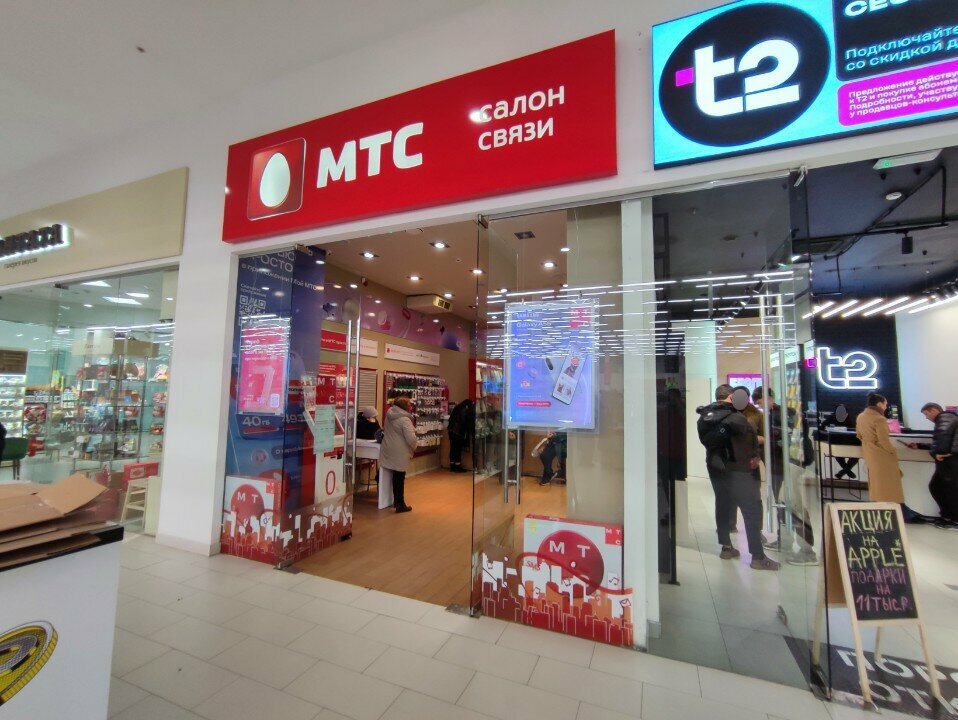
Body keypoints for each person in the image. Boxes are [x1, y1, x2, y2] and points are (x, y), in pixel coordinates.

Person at [697, 384, 779, 570]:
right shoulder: (737, 418)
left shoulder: (705, 416)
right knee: (751, 510)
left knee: (722, 504)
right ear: (732, 396)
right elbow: (747, 443)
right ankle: (757, 556)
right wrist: (753, 459)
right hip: (739, 469)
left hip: (715, 466)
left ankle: (726, 547)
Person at [856, 392, 922, 523]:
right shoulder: (879, 419)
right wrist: (892, 451)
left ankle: (882, 508)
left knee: (876, 482)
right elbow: (884, 440)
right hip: (882, 454)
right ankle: (899, 510)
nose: (886, 406)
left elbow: (858, 435)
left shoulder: (861, 416)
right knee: (892, 483)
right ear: (879, 404)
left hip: (869, 452)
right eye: (885, 404)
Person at [908, 403, 958, 527]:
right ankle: (948, 516)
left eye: (926, 414)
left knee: (946, 489)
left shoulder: (944, 418)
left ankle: (953, 519)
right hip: (950, 461)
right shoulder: (949, 418)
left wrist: (939, 452)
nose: (926, 417)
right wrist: (920, 445)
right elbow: (942, 441)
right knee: (939, 487)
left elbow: (943, 439)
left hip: (950, 462)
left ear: (934, 410)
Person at [380, 397, 418, 513]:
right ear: (404, 406)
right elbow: (411, 438)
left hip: (388, 448)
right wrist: (415, 446)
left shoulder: (389, 414)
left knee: (392, 474)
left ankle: (395, 501)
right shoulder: (405, 419)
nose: (411, 407)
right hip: (400, 451)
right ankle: (400, 504)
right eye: (409, 404)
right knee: (399, 477)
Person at [446, 399, 474, 473]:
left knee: (453, 447)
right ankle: (457, 466)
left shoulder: (457, 407)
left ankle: (452, 465)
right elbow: (464, 422)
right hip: (457, 432)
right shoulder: (464, 409)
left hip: (451, 430)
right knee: (457, 448)